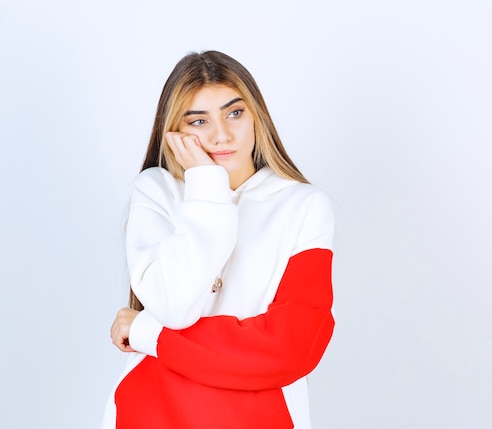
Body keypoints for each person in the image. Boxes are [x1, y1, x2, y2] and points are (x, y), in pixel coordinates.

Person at [102, 51, 335, 429]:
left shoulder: (304, 206)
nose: (221, 135)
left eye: (235, 113)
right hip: (151, 410)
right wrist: (207, 187)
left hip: (261, 418)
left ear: (256, 115)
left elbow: (290, 347)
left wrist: (149, 332)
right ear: (175, 130)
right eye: (198, 121)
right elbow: (174, 305)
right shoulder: (156, 191)